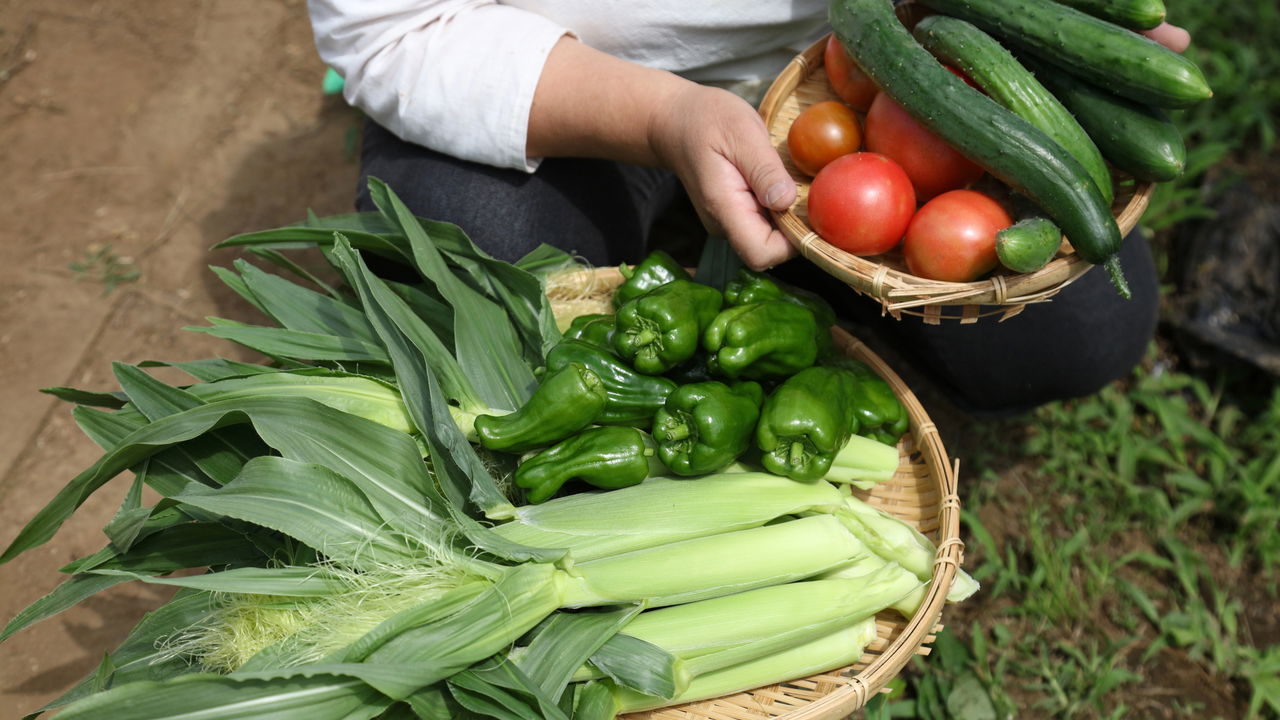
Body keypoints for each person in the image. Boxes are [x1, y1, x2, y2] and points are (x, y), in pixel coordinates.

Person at [307, 1, 1191, 416]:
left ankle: (805, 235)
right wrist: (662, 117)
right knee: (476, 286)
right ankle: (684, 201)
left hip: (859, 82)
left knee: (1075, 333)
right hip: (568, 81)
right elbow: (393, 30)